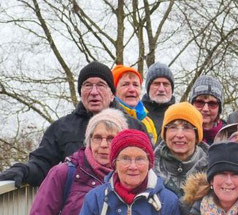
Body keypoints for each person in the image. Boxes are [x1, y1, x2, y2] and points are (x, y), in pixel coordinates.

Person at [0, 61, 145, 187]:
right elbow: (42, 164)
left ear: (112, 93)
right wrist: (23, 171)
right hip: (74, 210)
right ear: (80, 92)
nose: (94, 92)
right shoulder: (61, 128)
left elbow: (147, 168)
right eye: (87, 85)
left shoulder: (133, 127)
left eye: (101, 85)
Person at [153, 102, 208, 197]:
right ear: (165, 134)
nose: (179, 135)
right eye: (173, 127)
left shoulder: (212, 170)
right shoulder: (149, 171)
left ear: (197, 135)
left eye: (187, 128)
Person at [112, 65, 159, 144]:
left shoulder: (147, 121)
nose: (132, 89)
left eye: (135, 85)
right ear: (114, 91)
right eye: (125, 84)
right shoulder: (110, 119)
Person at [142, 62, 176, 142]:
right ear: (148, 88)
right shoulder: (137, 113)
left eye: (166, 84)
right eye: (156, 84)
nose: (161, 89)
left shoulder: (180, 115)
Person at [190, 75, 226, 144]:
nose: (205, 109)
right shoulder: (181, 135)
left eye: (212, 104)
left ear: (219, 109)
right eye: (200, 102)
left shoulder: (230, 137)